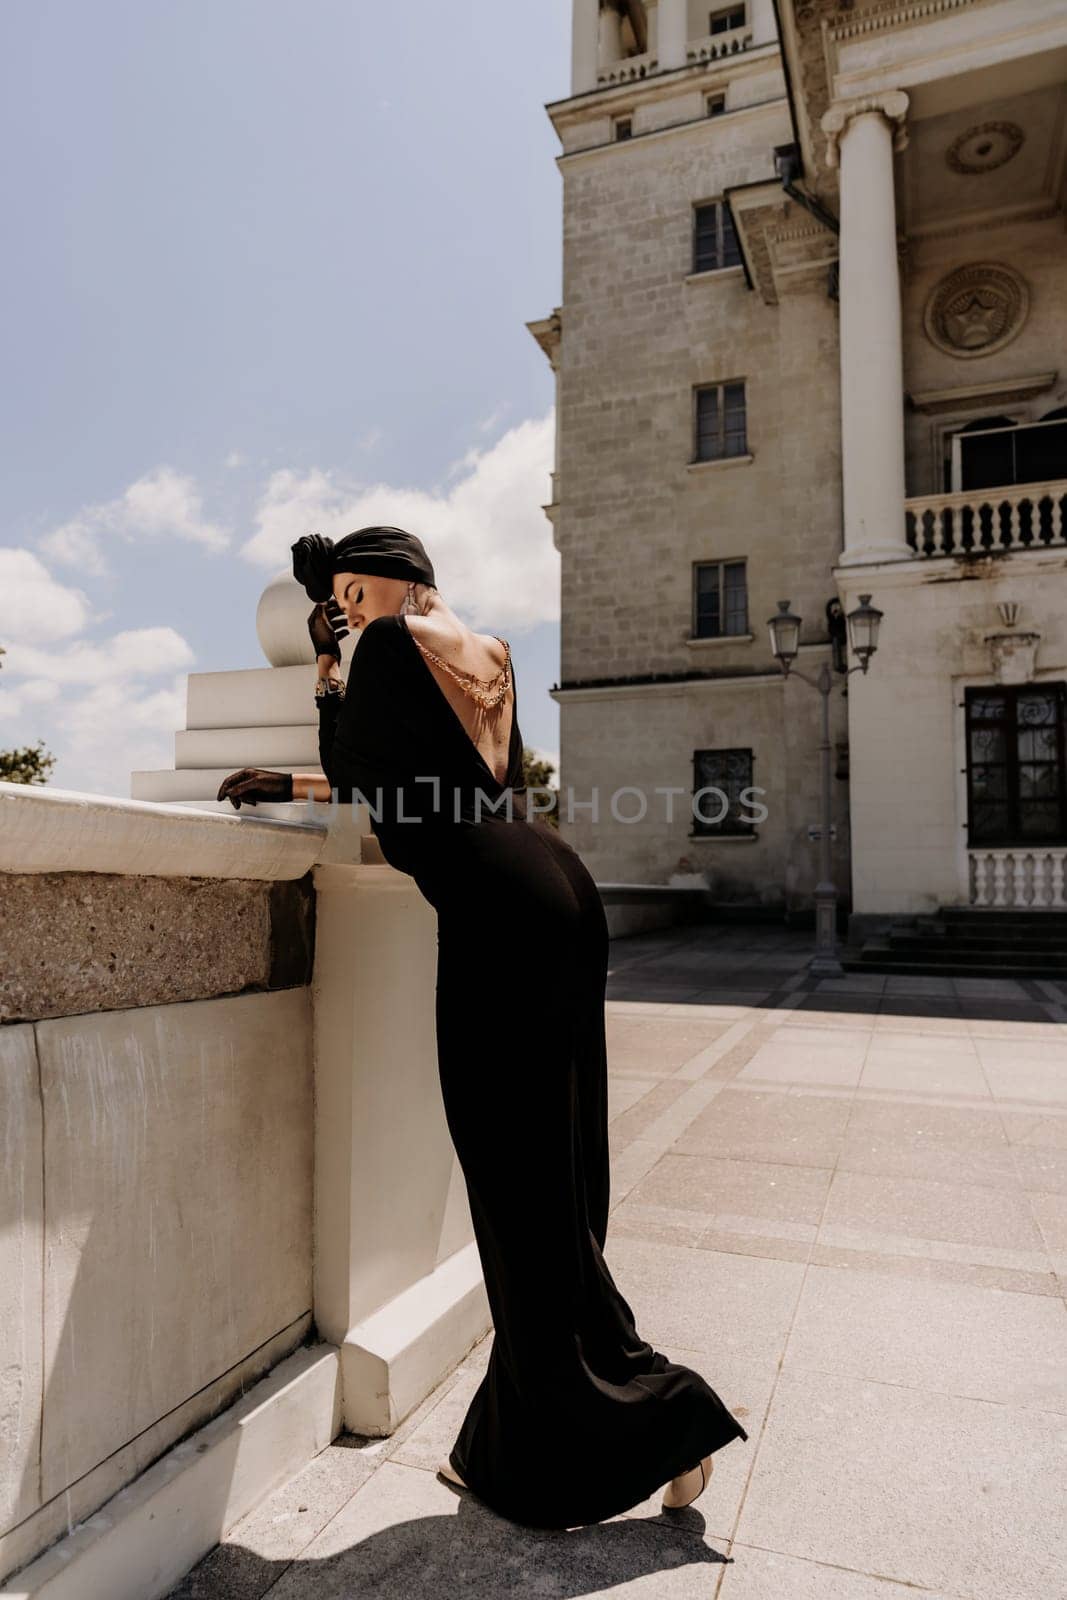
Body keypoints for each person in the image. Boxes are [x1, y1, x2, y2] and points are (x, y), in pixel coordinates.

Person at [217, 524, 748, 1528]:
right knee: (553, 1169)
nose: (346, 613)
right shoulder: (490, 653)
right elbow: (433, 784)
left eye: (350, 597)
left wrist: (326, 661)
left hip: (496, 912)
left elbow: (359, 758)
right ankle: (510, 1443)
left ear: (384, 587)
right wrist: (291, 786)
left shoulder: (378, 646)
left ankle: (659, 1409)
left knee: (515, 1186)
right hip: (551, 880)